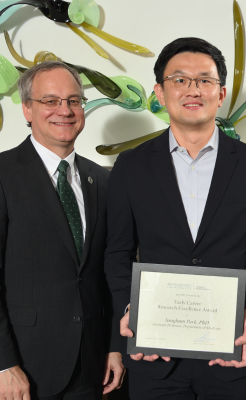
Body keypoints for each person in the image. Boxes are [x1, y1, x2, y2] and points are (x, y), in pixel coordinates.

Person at [104, 37, 246, 400]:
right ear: (159, 91)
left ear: (221, 92)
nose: (193, 89)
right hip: (154, 355)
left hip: (233, 353)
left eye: (205, 80)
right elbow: (117, 253)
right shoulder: (130, 166)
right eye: (180, 79)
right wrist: (130, 309)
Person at [0, 61, 124, 400]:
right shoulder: (3, 173)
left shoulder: (103, 180)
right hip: (21, 370)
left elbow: (110, 273)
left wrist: (115, 345)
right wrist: (2, 364)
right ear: (27, 108)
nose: (64, 111)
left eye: (73, 100)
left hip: (90, 368)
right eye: (50, 101)